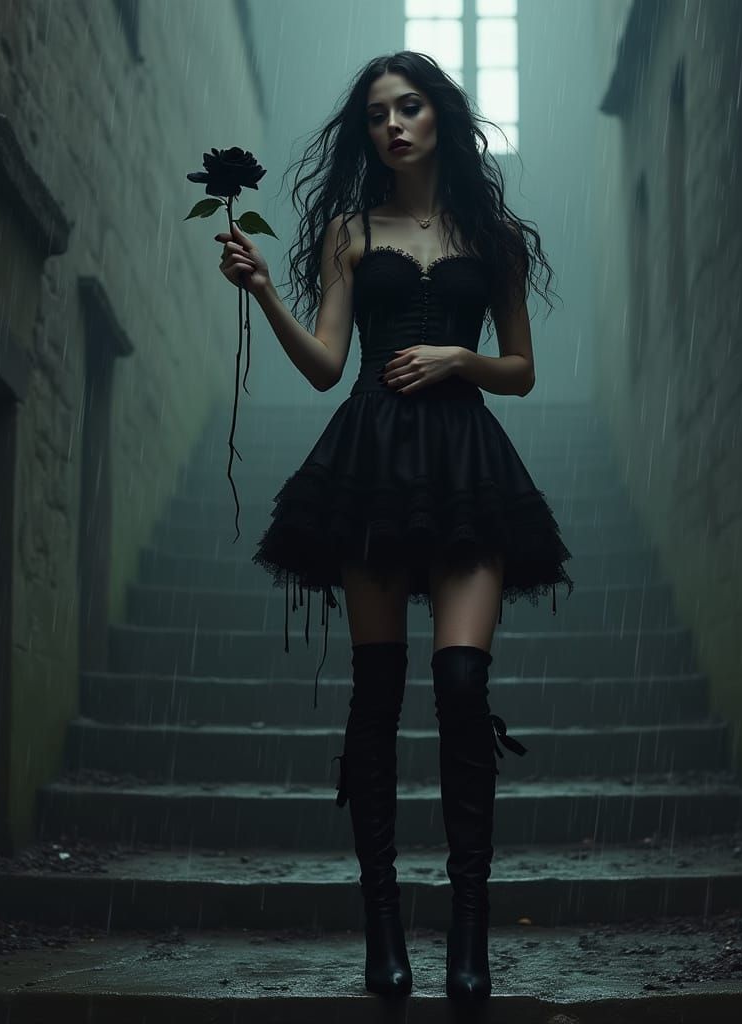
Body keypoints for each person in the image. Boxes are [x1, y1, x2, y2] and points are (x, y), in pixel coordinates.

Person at [213, 51, 573, 1003]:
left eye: (410, 107)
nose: (394, 125)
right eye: (377, 114)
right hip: (369, 469)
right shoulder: (346, 231)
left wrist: (462, 356)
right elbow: (328, 365)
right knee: (378, 694)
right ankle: (383, 930)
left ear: (441, 118)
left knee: (460, 682)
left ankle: (468, 934)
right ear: (366, 131)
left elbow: (523, 369)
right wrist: (262, 291)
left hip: (465, 469)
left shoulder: (489, 237)